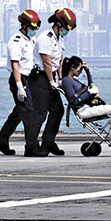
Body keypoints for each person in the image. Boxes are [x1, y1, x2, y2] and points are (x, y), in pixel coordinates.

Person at [0, 10, 47, 157]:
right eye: (32, 28)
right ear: (23, 25)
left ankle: (1, 141)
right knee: (29, 112)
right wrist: (19, 87)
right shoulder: (15, 41)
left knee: (19, 113)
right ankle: (32, 147)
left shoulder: (32, 40)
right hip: (19, 79)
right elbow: (15, 66)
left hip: (30, 79)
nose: (34, 31)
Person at [60, 56, 111, 152]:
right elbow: (74, 101)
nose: (80, 71)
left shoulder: (74, 80)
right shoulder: (66, 81)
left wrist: (87, 71)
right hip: (82, 111)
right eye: (79, 68)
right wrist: (89, 93)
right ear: (72, 67)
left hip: (89, 109)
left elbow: (91, 86)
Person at [30, 8, 77, 156]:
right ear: (58, 24)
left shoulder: (59, 38)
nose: (67, 31)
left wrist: (61, 79)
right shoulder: (46, 37)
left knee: (57, 110)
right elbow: (47, 63)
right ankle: (31, 147)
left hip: (52, 78)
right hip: (40, 79)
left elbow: (60, 60)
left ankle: (48, 143)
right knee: (40, 114)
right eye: (66, 28)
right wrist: (51, 81)